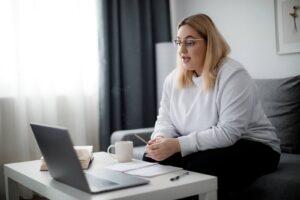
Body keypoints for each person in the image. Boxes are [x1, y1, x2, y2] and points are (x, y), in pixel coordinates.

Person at [143, 14, 281, 200]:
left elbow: (228, 133)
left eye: (190, 42)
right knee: (152, 159)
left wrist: (177, 144)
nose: (181, 49)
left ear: (210, 43)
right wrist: (159, 140)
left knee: (202, 167)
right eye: (178, 42)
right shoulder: (172, 79)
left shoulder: (233, 74)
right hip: (211, 145)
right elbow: (165, 120)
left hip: (255, 145)